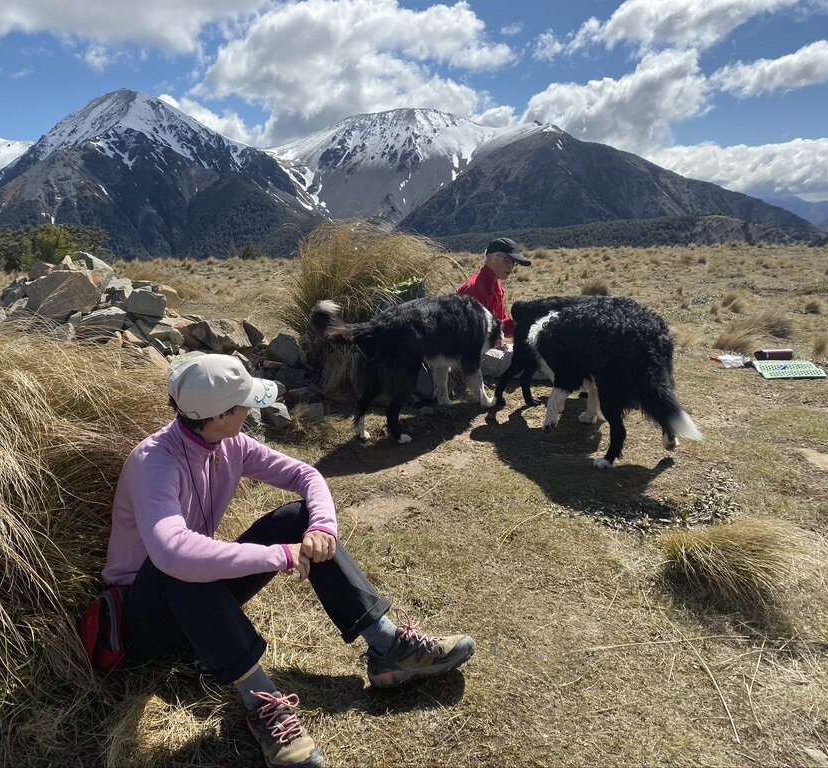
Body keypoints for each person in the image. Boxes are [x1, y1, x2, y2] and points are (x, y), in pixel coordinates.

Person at [103, 353, 476, 768]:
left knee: (296, 519)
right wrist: (278, 556)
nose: (250, 409)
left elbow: (307, 476)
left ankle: (388, 645)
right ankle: (264, 702)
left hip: (195, 597)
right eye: (244, 404)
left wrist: (321, 529)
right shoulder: (154, 462)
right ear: (221, 416)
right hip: (143, 616)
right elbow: (173, 552)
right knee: (178, 567)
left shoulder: (227, 443)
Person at [457, 237, 531, 377]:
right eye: (506, 260)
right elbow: (471, 338)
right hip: (473, 353)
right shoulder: (474, 289)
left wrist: (521, 323)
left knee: (534, 354)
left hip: (491, 346)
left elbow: (501, 325)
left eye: (514, 262)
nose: (511, 266)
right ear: (489, 257)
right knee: (531, 362)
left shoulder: (497, 287)